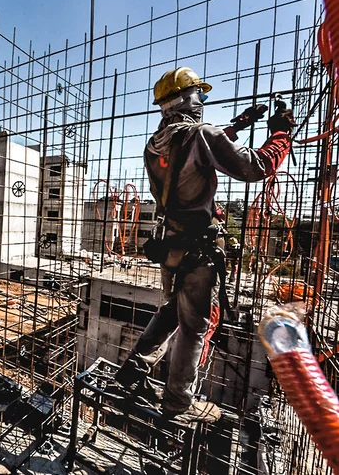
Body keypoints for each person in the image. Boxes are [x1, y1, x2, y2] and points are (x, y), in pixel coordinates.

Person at [114, 67, 294, 423]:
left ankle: (133, 370)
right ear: (188, 98)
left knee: (169, 312)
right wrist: (280, 134)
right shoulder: (200, 135)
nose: (204, 103)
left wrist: (238, 125)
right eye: (202, 96)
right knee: (194, 326)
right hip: (198, 250)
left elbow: (190, 161)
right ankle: (179, 401)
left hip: (170, 246)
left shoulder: (155, 144)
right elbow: (254, 167)